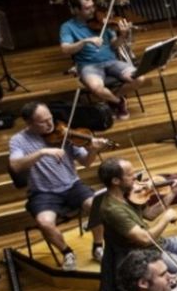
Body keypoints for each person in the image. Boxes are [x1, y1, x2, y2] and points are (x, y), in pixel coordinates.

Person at [7, 102, 107, 270]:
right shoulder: (18, 141)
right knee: (44, 222)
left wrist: (93, 151)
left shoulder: (65, 133)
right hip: (43, 193)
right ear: (29, 123)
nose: (50, 124)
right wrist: (42, 152)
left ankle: (98, 246)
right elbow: (15, 166)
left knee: (96, 206)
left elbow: (86, 162)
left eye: (50, 118)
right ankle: (67, 252)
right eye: (43, 122)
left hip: (72, 185)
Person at [96, 157, 177, 274]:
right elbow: (144, 240)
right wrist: (166, 218)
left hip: (159, 242)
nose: (135, 177)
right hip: (146, 252)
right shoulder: (112, 210)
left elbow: (149, 214)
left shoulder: (128, 194)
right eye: (129, 175)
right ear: (115, 181)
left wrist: (173, 192)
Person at [59, 0, 140, 118]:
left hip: (112, 62)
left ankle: (113, 100)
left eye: (93, 6)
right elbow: (65, 49)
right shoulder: (68, 27)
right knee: (96, 88)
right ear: (76, 10)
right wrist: (85, 41)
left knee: (140, 78)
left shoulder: (103, 21)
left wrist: (123, 36)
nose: (92, 10)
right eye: (87, 8)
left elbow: (114, 45)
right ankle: (119, 103)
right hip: (88, 66)